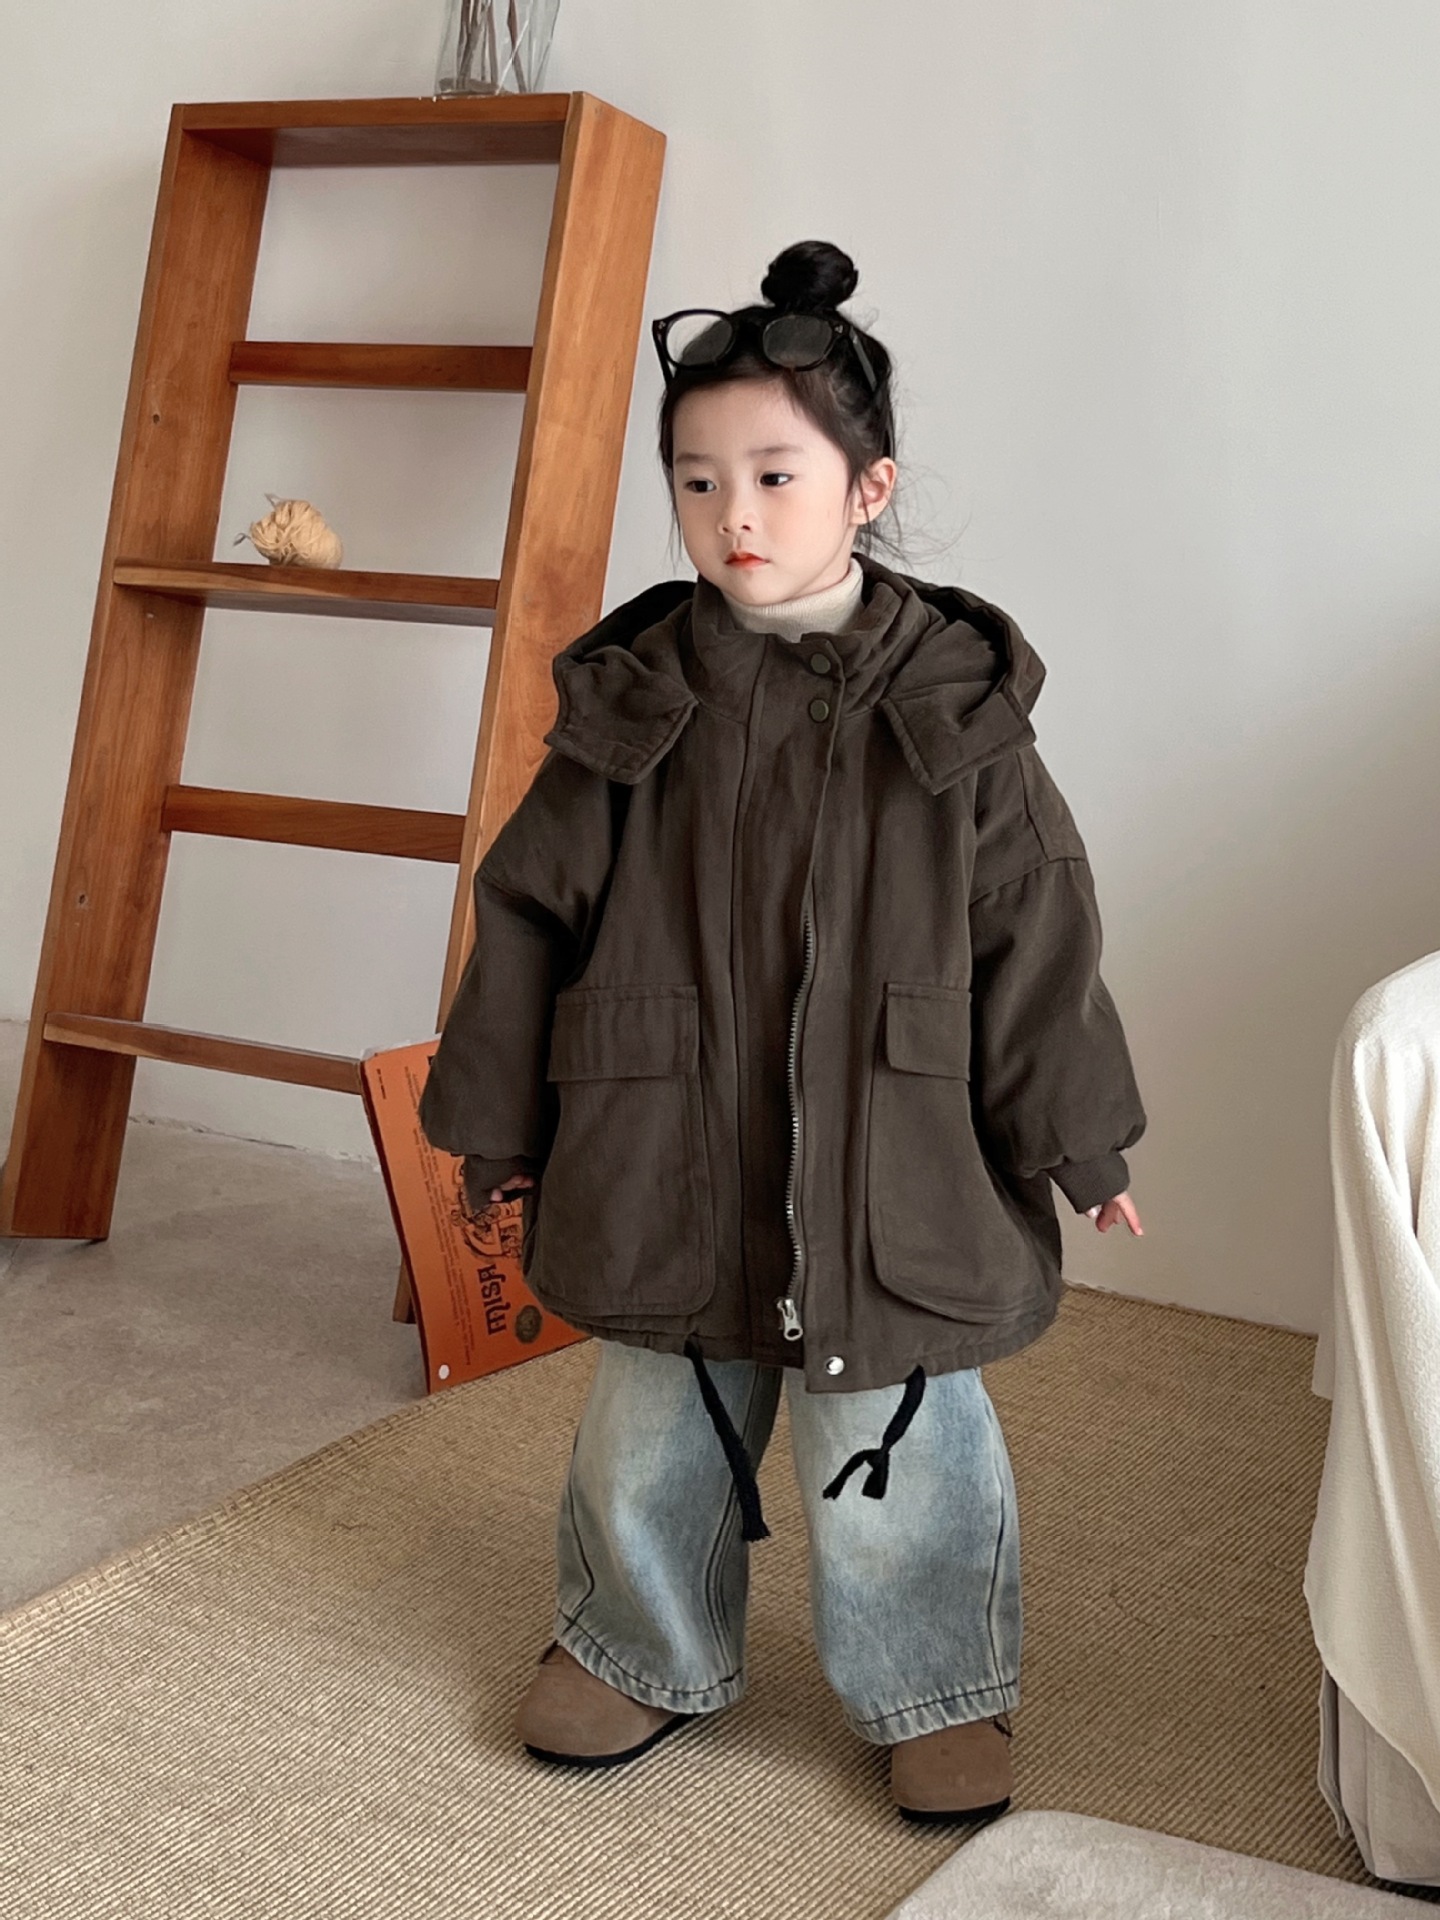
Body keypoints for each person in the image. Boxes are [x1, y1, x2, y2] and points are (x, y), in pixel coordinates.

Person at [418, 238, 1147, 1824]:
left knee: (898, 1425)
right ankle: (634, 1645)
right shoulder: (637, 699)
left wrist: (1080, 1139)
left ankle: (937, 1683)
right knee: (651, 1418)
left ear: (867, 488)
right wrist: (496, 1125)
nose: (730, 515)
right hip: (662, 1127)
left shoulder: (952, 709)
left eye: (771, 476)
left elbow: (1037, 924)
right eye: (695, 482)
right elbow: (530, 908)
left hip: (895, 1147)